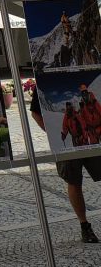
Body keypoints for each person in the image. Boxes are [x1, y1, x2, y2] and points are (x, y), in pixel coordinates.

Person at [31, 90, 100, 243]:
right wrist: (54, 134)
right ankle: (84, 225)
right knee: (74, 181)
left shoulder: (83, 109)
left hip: (93, 141)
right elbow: (35, 113)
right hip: (70, 146)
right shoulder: (44, 81)